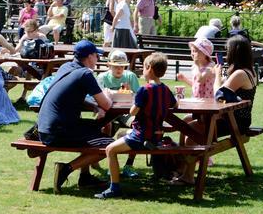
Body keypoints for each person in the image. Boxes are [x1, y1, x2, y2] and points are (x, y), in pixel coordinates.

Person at [172, 35, 259, 186]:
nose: (226, 54)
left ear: (235, 52)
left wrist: (217, 75)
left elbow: (218, 93)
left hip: (233, 121)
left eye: (228, 50)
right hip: (234, 118)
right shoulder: (247, 72)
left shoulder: (240, 74)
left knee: (191, 133)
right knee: (186, 124)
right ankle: (182, 168)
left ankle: (188, 176)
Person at [96, 52, 176, 199]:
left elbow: (133, 112)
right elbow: (175, 104)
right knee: (121, 135)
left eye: (143, 67)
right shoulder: (165, 89)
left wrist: (134, 103)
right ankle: (127, 167)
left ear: (149, 68)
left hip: (141, 135)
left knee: (110, 150)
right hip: (157, 135)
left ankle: (114, 188)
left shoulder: (144, 90)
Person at [38, 40, 114, 193]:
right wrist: (107, 94)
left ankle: (85, 177)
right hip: (59, 131)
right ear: (89, 57)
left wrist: (93, 106)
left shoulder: (66, 67)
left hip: (44, 128)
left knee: (95, 130)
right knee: (111, 145)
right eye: (96, 55)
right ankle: (66, 169)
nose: (98, 59)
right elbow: (106, 105)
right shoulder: (85, 74)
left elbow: (71, 96)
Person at [97, 49, 141, 178]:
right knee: (104, 129)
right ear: (109, 65)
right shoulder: (102, 78)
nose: (119, 69)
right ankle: (107, 164)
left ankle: (129, 164)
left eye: (122, 66)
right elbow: (96, 97)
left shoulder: (130, 76)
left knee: (137, 127)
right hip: (108, 112)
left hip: (126, 112)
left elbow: (138, 97)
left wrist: (129, 93)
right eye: (116, 66)